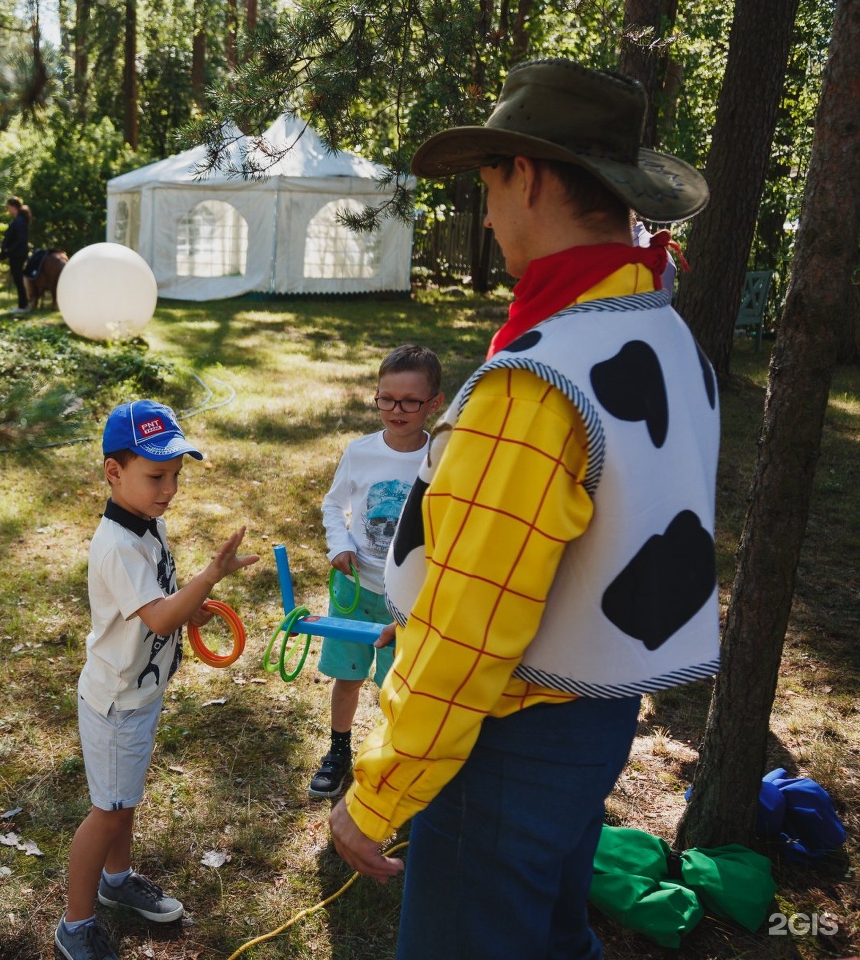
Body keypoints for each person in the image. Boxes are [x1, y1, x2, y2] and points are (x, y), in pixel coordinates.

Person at [328, 58, 718, 960]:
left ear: (529, 175)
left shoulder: (536, 382)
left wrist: (379, 794)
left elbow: (476, 625)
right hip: (593, 720)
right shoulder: (659, 328)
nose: (489, 209)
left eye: (489, 181)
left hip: (502, 738)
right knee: (547, 934)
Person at [56, 400, 258, 960]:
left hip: (140, 693)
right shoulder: (117, 544)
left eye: (174, 475)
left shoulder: (147, 523)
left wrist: (190, 608)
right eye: (155, 476)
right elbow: (159, 615)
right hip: (117, 701)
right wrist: (211, 575)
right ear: (113, 472)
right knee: (108, 811)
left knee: (124, 798)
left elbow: (164, 602)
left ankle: (117, 881)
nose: (168, 488)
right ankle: (75, 925)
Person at [308, 345, 444, 799]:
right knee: (347, 677)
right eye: (386, 398)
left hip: (407, 602)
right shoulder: (360, 452)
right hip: (356, 591)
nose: (396, 410)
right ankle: (339, 750)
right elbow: (333, 504)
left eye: (409, 401)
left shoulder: (442, 461)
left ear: (434, 403)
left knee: (397, 687)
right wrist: (340, 543)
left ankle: (390, 758)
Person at [1, 197, 31, 315]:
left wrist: (9, 250)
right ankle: (23, 304)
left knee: (18, 280)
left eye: (8, 207)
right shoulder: (19, 220)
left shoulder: (19, 221)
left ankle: (23, 305)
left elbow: (20, 240)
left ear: (14, 207)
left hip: (17, 255)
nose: (8, 210)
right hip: (17, 254)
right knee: (18, 280)